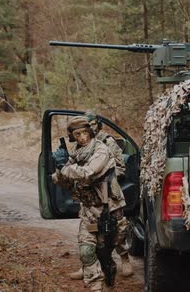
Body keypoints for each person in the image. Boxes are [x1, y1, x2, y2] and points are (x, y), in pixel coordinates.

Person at [52, 116, 129, 292]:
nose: (82, 137)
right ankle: (96, 287)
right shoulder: (77, 152)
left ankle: (110, 282)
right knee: (86, 252)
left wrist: (65, 168)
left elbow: (88, 173)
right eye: (77, 134)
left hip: (107, 210)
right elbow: (61, 181)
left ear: (90, 132)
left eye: (84, 133)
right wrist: (59, 168)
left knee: (104, 254)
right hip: (88, 211)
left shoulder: (101, 150)